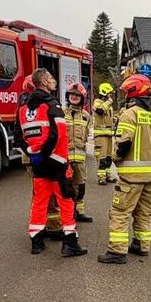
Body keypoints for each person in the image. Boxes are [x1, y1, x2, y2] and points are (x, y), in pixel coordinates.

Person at [19, 69, 87, 257]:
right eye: (50, 78)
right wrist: (46, 153)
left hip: (38, 164)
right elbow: (57, 135)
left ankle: (36, 242)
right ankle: (70, 243)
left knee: (39, 202)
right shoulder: (52, 105)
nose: (53, 80)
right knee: (67, 200)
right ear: (44, 82)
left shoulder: (23, 109)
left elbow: (18, 136)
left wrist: (32, 152)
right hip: (57, 164)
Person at [98, 74, 151, 264]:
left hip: (131, 177)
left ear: (133, 92)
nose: (125, 95)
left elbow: (123, 143)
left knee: (120, 212)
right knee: (143, 213)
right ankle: (141, 245)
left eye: (126, 91)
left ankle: (117, 252)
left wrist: (112, 158)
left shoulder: (130, 114)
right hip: (150, 177)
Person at [64, 83, 93, 223]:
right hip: (65, 159)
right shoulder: (61, 113)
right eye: (71, 94)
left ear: (82, 98)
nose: (74, 97)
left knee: (81, 187)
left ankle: (79, 212)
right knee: (66, 188)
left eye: (77, 95)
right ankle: (68, 214)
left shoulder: (86, 116)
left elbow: (86, 137)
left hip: (80, 160)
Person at [93, 83, 118, 186]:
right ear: (104, 93)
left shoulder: (108, 104)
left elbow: (107, 117)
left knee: (108, 158)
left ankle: (108, 175)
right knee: (102, 158)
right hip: (101, 136)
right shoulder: (97, 102)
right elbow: (100, 111)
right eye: (109, 93)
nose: (110, 96)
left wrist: (114, 119)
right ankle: (101, 178)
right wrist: (108, 102)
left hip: (108, 135)